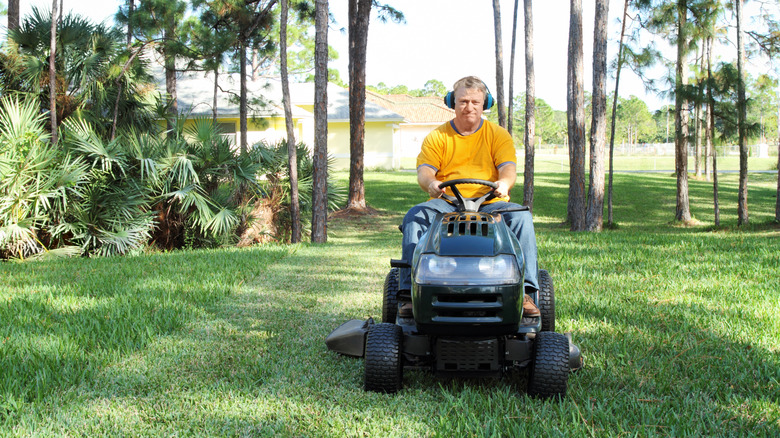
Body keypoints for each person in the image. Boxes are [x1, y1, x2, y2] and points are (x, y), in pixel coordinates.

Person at [398, 75, 540, 317]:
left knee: (522, 219)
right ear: (453, 102)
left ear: (485, 104)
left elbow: (508, 169)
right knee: (415, 216)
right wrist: (431, 183)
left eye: (475, 102)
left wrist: (504, 184)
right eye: (463, 101)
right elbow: (424, 171)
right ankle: (408, 294)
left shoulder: (498, 135)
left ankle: (526, 291)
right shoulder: (438, 137)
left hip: (490, 203)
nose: (469, 107)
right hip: (447, 204)